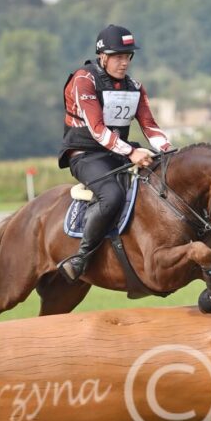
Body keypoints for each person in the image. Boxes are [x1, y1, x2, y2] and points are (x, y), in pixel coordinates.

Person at [57, 24, 174, 281]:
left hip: (117, 153)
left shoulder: (134, 86)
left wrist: (169, 150)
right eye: (118, 57)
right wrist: (132, 152)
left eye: (128, 57)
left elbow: (150, 126)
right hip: (85, 154)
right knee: (111, 195)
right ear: (103, 56)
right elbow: (98, 130)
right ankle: (81, 258)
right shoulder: (83, 80)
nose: (124, 63)